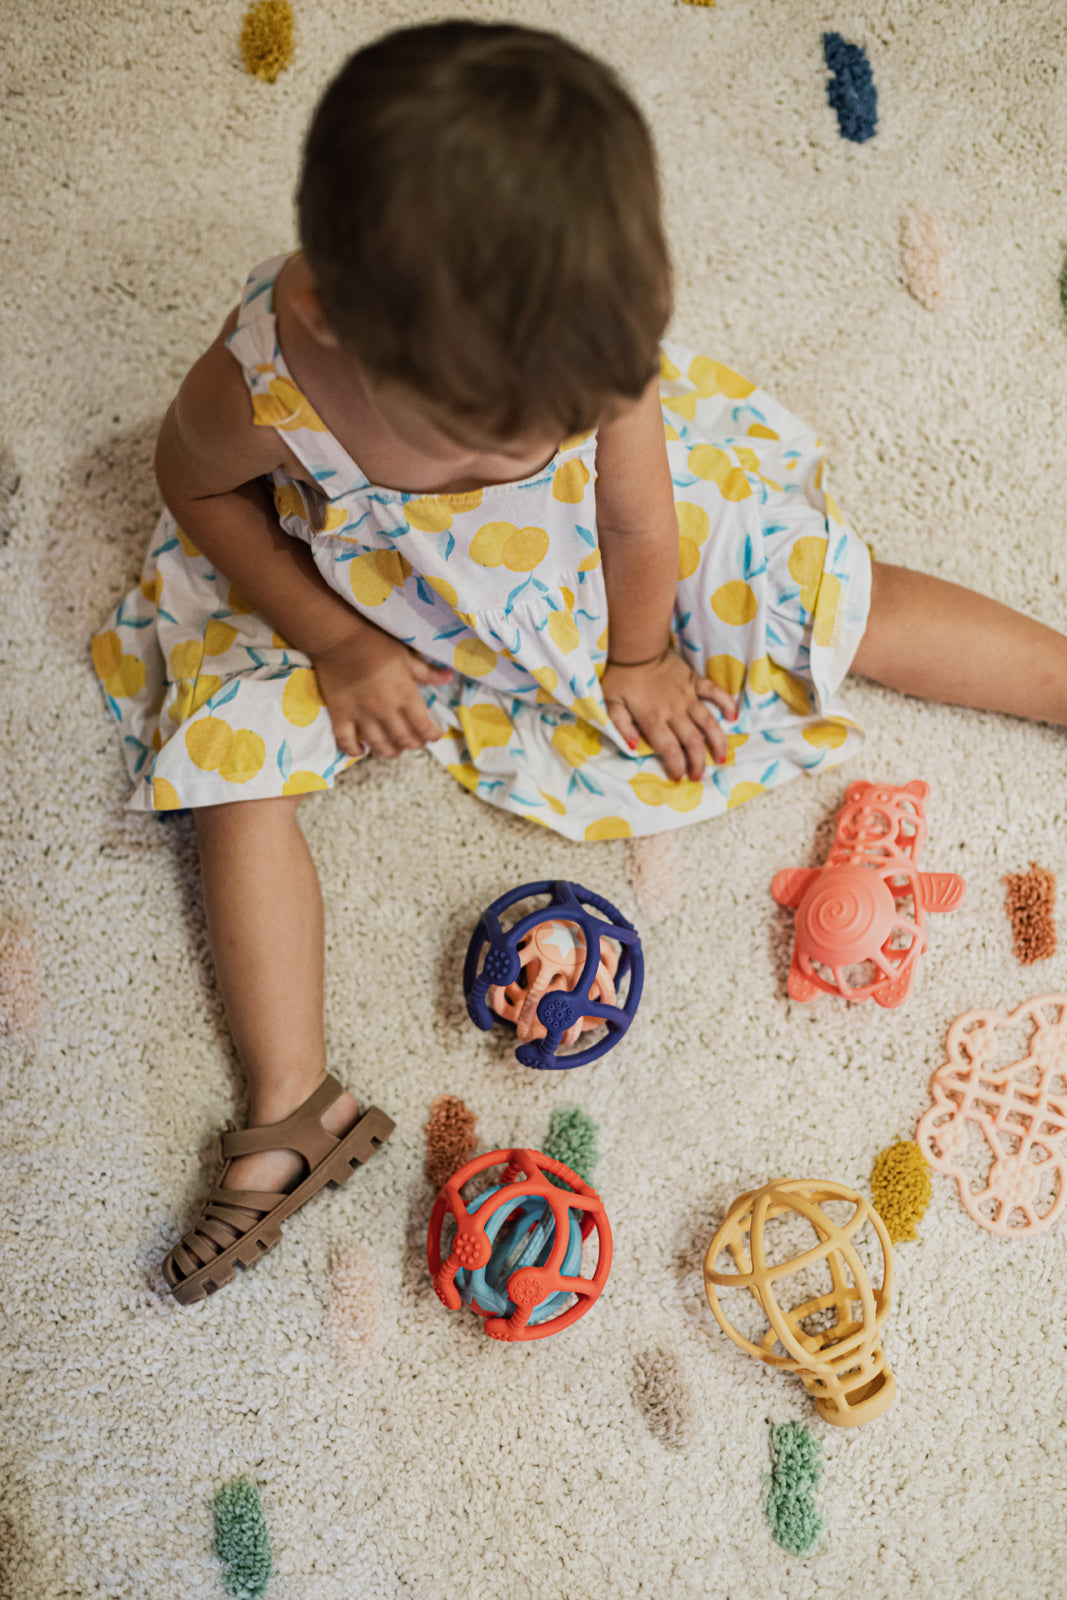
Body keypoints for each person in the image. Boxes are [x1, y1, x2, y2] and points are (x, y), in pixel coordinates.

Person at [93, 19, 1067, 1304]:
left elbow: (630, 517)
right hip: (350, 579)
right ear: (329, 318)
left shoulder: (585, 352)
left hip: (593, 571)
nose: (557, 431)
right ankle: (293, 1100)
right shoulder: (261, 385)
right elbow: (191, 489)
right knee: (223, 750)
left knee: (802, 585)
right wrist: (335, 642)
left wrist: (645, 650)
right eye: (501, 436)